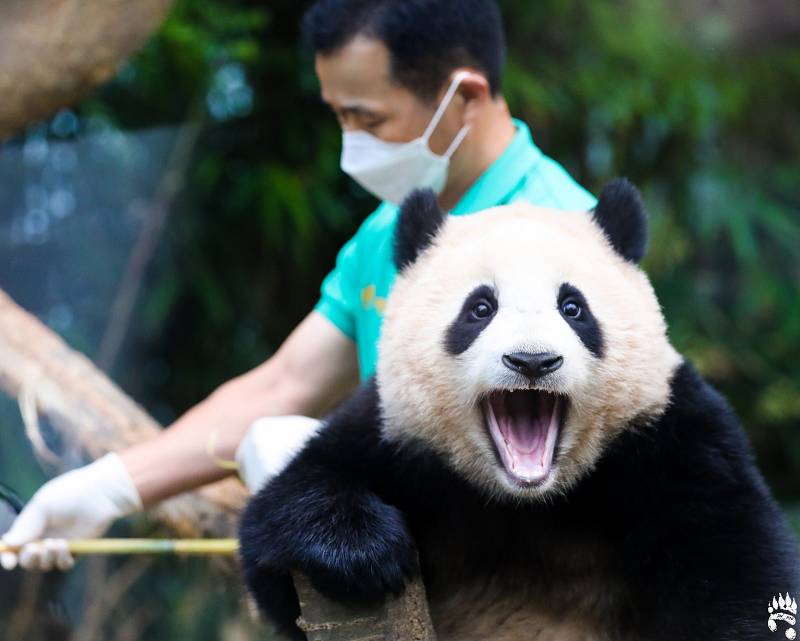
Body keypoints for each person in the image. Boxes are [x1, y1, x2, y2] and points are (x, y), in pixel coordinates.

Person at [0, 0, 595, 572]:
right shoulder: (391, 229)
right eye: (339, 116)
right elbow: (285, 384)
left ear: (462, 96)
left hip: (519, 569)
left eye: (368, 119)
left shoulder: (569, 237)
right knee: (281, 451)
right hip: (410, 553)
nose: (350, 144)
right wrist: (107, 488)